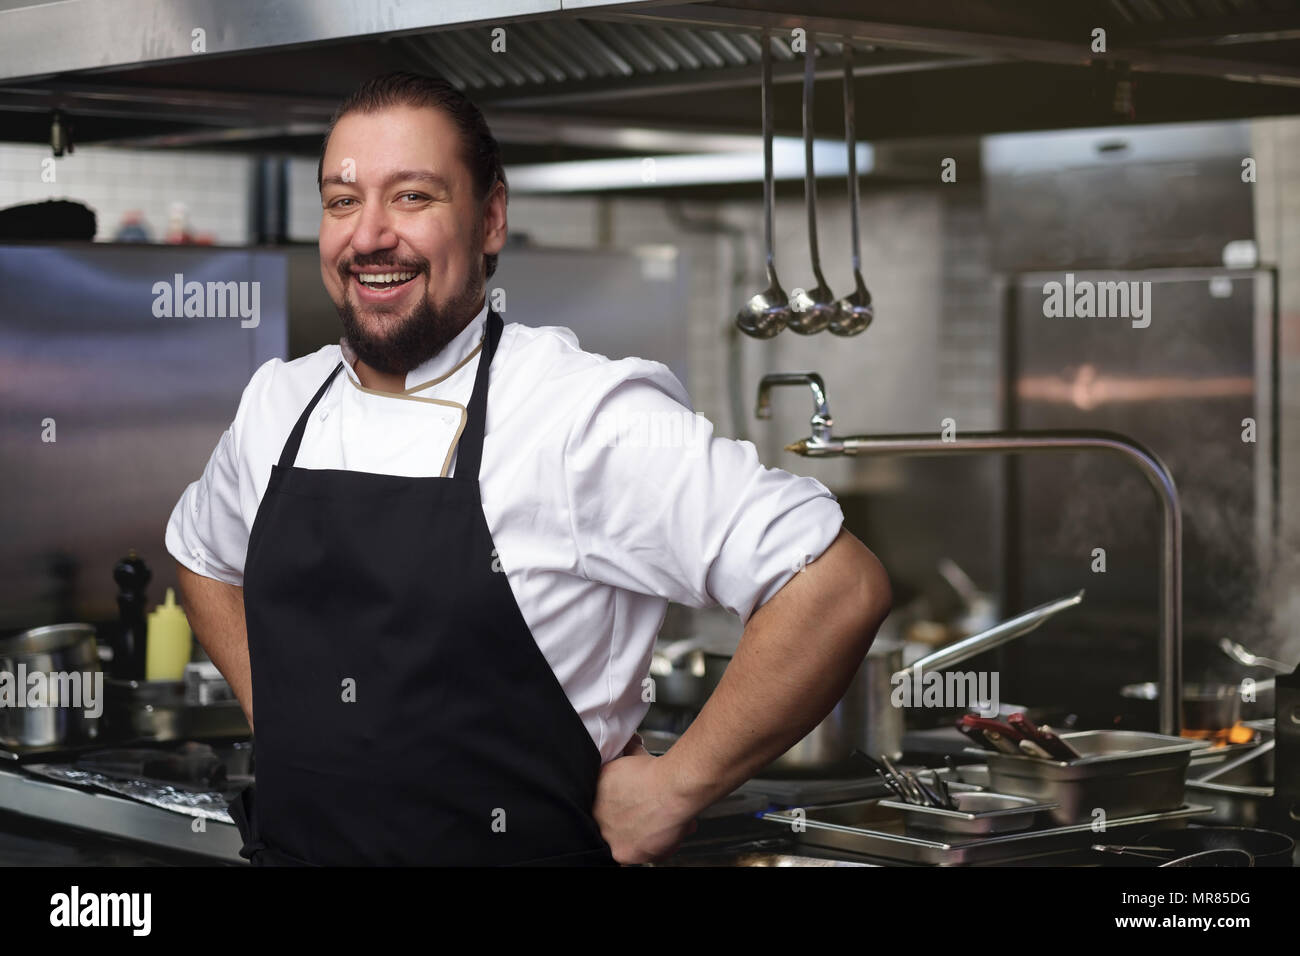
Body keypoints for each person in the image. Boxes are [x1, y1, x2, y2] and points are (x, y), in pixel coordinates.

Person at [166, 71, 891, 866]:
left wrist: (676, 787)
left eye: (412, 197)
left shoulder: (581, 416)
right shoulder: (280, 403)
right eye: (343, 202)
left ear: (491, 220)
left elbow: (834, 586)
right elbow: (201, 556)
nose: (369, 235)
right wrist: (282, 717)